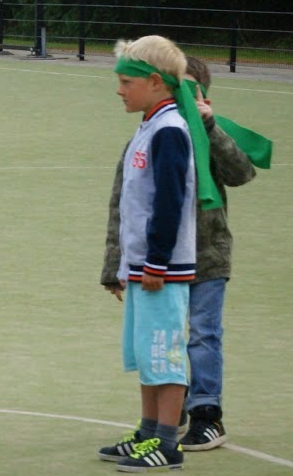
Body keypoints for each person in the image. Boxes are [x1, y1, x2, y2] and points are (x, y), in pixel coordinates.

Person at [100, 52, 266, 453]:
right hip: (158, 257)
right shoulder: (152, 131)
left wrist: (209, 125)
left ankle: (207, 413)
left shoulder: (195, 130)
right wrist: (114, 264)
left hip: (206, 252)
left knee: (202, 335)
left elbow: (241, 172)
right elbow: (124, 203)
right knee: (158, 338)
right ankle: (163, 422)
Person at [97, 35, 213, 475]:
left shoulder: (169, 130)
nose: (119, 89)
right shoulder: (150, 124)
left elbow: (169, 202)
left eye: (126, 81)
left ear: (155, 82)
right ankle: (148, 431)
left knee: (165, 354)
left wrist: (156, 263)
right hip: (143, 265)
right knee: (148, 352)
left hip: (162, 269)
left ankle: (168, 442)